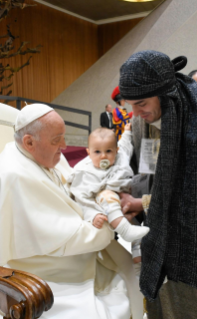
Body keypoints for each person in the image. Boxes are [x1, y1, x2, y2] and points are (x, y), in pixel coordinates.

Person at [0, 103, 143, 319]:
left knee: (140, 277)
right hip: (50, 271)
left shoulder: (42, 154)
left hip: (82, 252)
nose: (65, 146)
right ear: (29, 142)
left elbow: (72, 186)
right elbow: (63, 239)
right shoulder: (14, 176)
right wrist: (109, 223)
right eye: (57, 140)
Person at [118, 50, 197, 319]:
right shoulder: (140, 121)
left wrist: (145, 203)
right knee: (161, 301)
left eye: (141, 103)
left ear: (164, 93)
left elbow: (196, 198)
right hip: (157, 226)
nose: (135, 112)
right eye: (130, 104)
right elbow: (144, 174)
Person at [67, 125, 149, 244]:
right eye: (97, 152)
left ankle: (137, 252)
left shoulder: (120, 156)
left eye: (108, 151)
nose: (103, 156)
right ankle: (125, 231)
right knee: (107, 195)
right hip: (103, 203)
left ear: (116, 150)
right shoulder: (84, 171)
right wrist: (93, 215)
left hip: (126, 200)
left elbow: (125, 144)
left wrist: (126, 131)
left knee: (137, 231)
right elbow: (82, 199)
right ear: (89, 153)